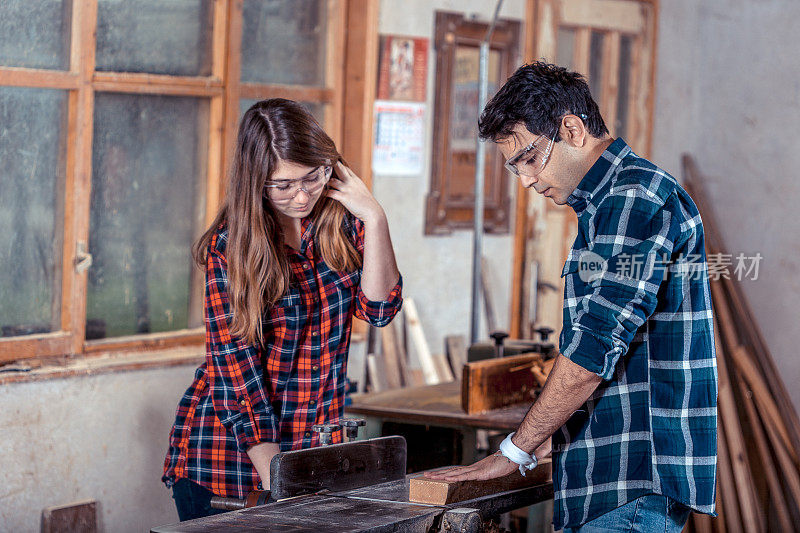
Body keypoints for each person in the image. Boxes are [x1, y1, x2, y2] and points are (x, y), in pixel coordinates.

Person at [427, 62, 717, 532]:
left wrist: (514, 450)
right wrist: (550, 433)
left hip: (630, 480)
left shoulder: (634, 197)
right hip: (611, 476)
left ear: (571, 129)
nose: (524, 180)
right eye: (513, 165)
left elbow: (593, 345)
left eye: (528, 158)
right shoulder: (604, 206)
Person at [162, 99, 403, 521]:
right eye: (283, 185)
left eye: (313, 177)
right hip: (231, 460)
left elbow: (379, 310)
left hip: (309, 454)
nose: (302, 194)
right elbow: (235, 369)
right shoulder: (230, 246)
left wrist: (375, 216)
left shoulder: (345, 224)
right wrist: (279, 479)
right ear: (255, 182)